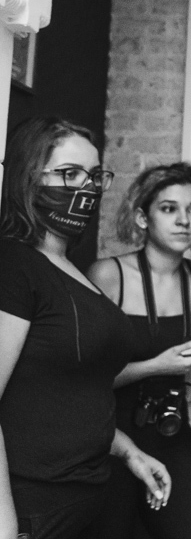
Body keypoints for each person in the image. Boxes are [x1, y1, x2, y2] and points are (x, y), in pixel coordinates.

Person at [0, 117, 171, 539]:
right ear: (27, 177)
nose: (87, 187)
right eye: (69, 173)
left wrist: (129, 452)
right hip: (37, 505)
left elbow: (70, 394)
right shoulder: (14, 266)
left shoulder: (71, 269)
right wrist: (4, 525)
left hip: (93, 495)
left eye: (94, 176)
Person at [85, 162, 191, 539]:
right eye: (169, 208)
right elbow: (83, 379)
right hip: (108, 437)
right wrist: (156, 366)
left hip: (171, 433)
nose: (184, 220)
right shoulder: (107, 275)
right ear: (142, 218)